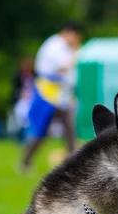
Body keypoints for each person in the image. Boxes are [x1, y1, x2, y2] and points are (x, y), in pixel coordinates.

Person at [19, 21, 84, 173]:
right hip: (48, 94)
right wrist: (75, 52)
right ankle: (25, 162)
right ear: (69, 33)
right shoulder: (55, 45)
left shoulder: (62, 46)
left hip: (59, 94)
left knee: (69, 129)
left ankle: (75, 165)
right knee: (41, 131)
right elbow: (64, 67)